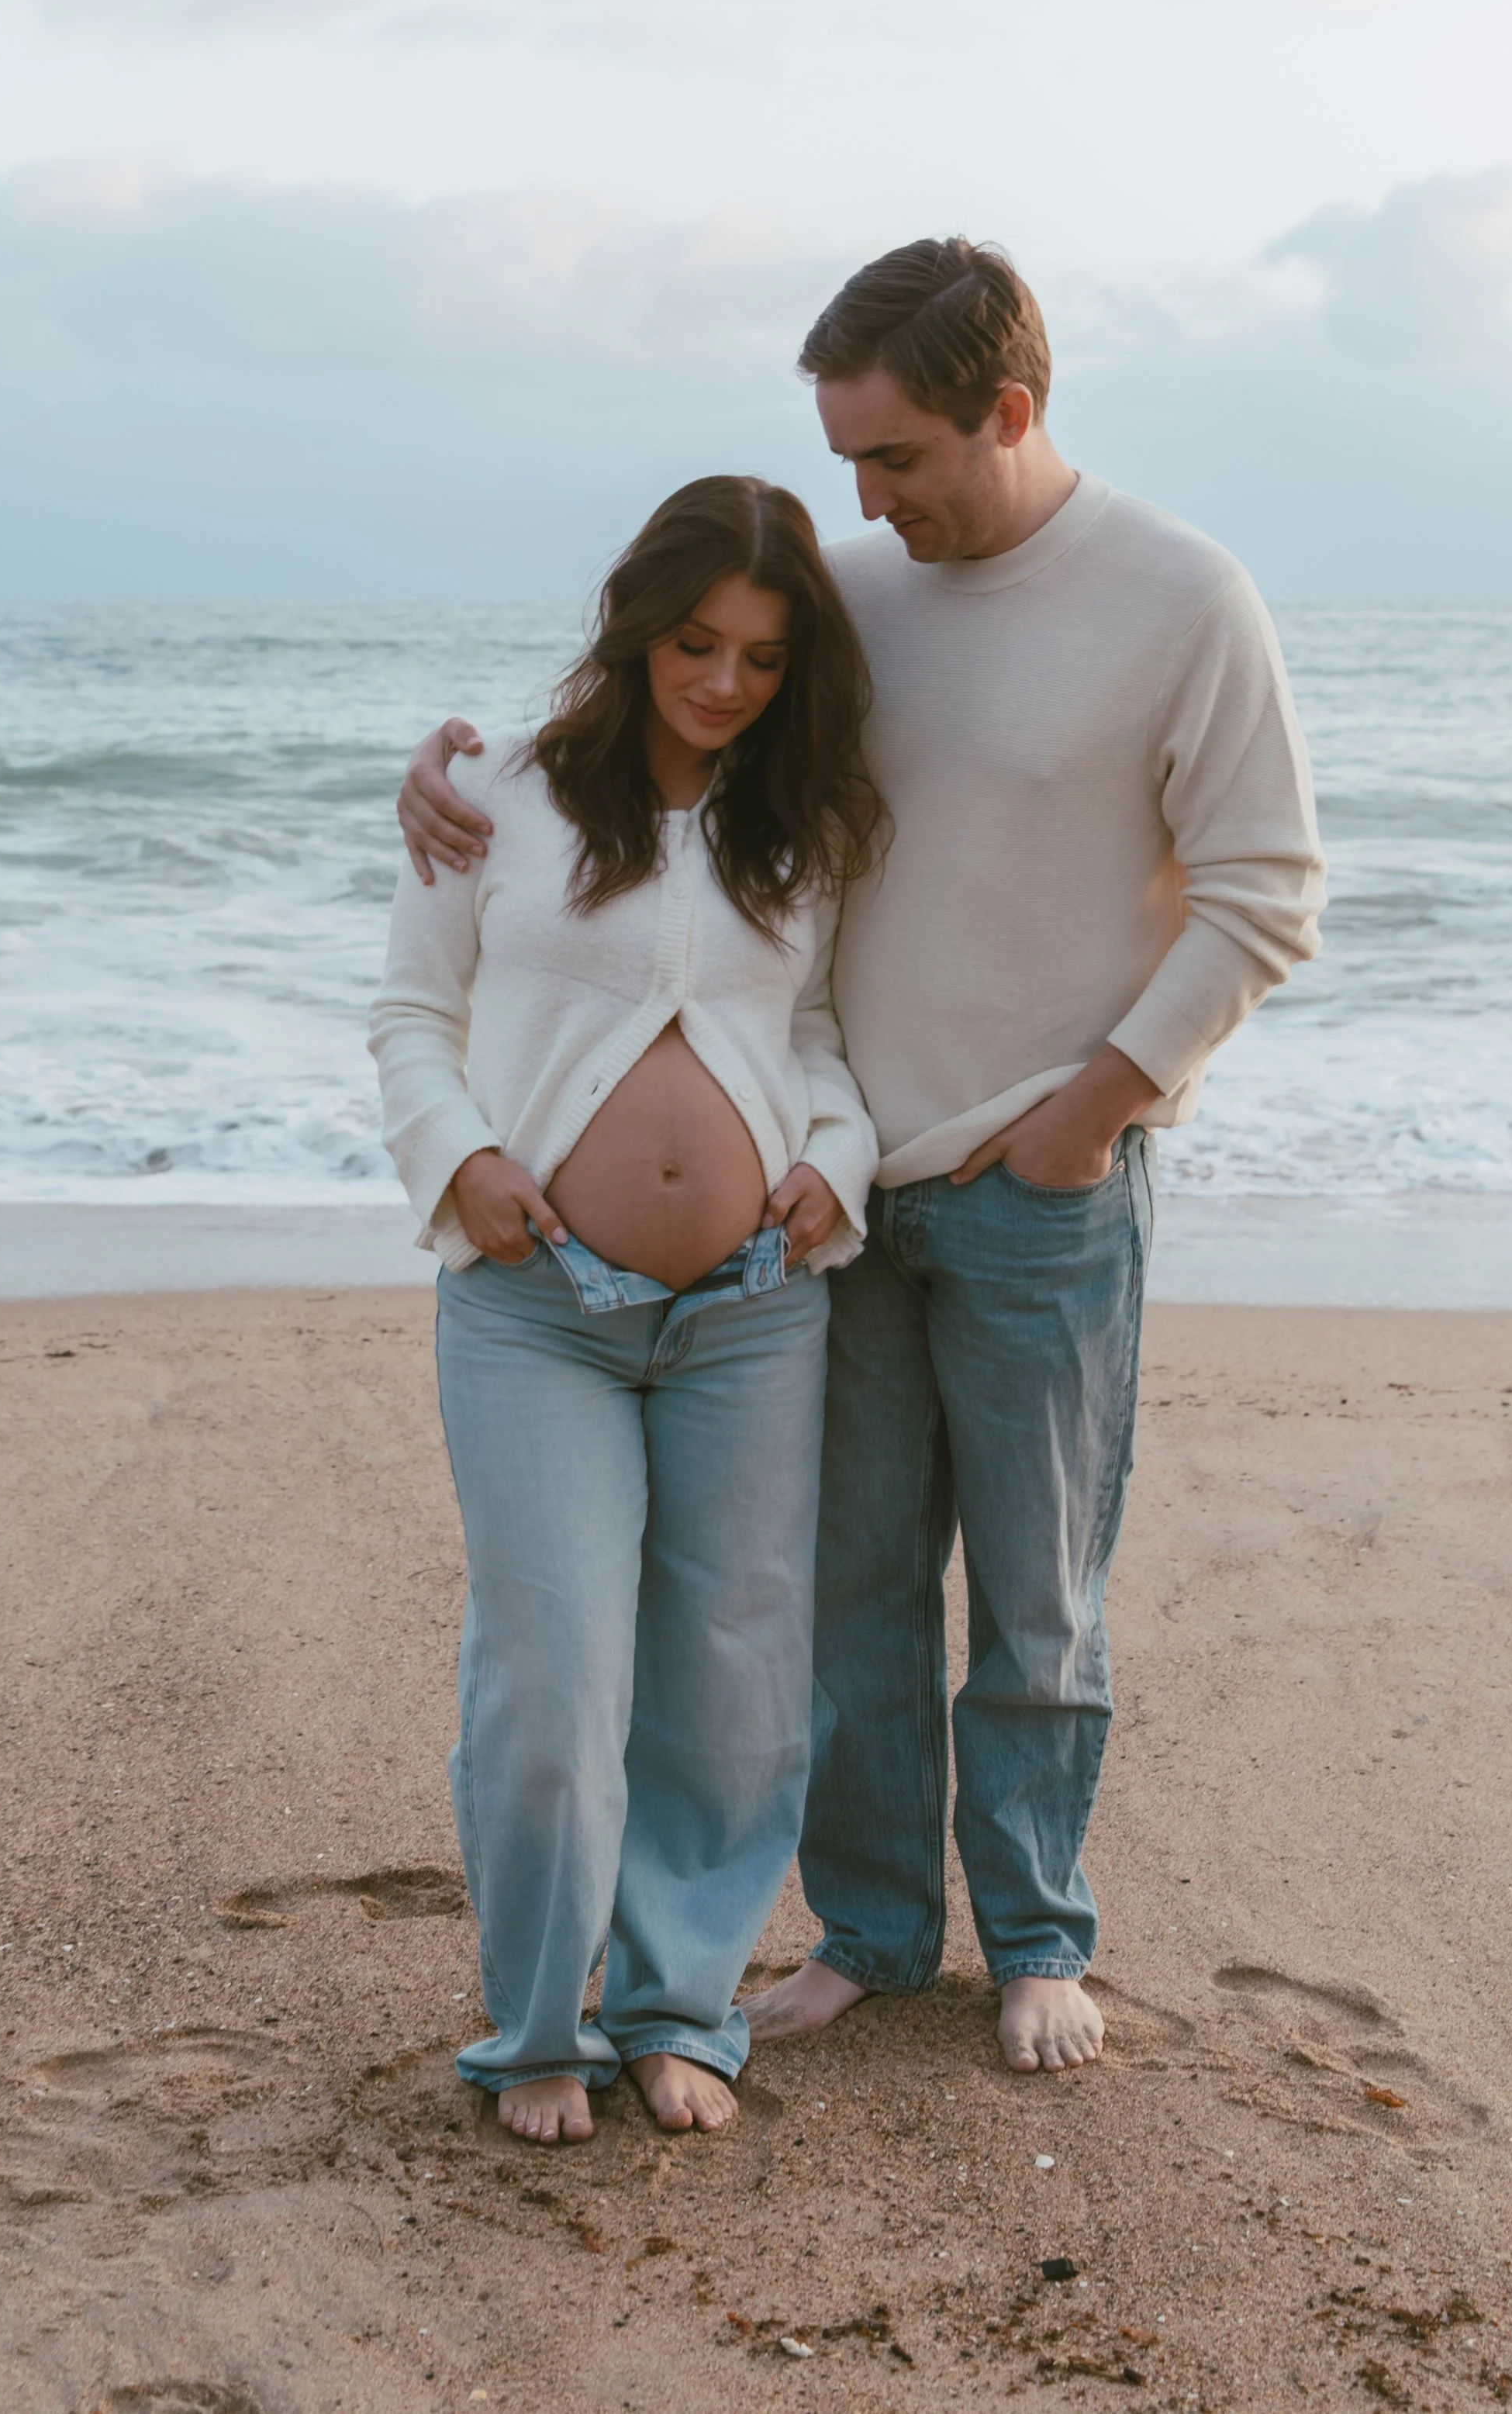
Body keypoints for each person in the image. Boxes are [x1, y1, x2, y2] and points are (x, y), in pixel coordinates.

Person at [397, 240, 1325, 2077]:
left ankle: (1039, 1937)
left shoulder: (1181, 597)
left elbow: (1263, 895)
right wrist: (438, 771)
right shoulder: (849, 592)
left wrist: (1087, 1115)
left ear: (1008, 409)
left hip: (1037, 1184)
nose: (863, 501)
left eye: (892, 458)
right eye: (841, 464)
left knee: (1040, 1593)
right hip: (829, 1209)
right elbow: (646, 717)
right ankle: (876, 1933)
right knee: (849, 1602)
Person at [370, 474, 882, 2145]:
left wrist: (834, 1157)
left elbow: (808, 1037)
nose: (723, 681)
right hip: (533, 1306)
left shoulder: (800, 819)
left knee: (735, 1671)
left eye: (757, 655)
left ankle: (676, 2006)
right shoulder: (492, 795)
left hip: (753, 1307)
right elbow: (410, 1016)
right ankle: (531, 2022)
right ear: (635, 624)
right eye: (693, 643)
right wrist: (461, 1162)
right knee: (552, 1666)